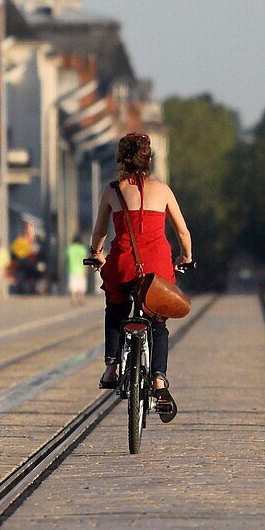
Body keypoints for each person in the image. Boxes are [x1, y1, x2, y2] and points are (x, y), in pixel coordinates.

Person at [87, 132, 192, 423]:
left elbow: (99, 233)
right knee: (157, 321)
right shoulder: (164, 190)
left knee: (116, 309)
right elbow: (183, 232)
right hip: (157, 268)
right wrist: (186, 258)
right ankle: (159, 380)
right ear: (149, 160)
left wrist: (96, 253)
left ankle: (110, 367)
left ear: (121, 159)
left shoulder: (112, 191)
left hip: (123, 264)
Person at [65, 234, 89, 305]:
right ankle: (80, 299)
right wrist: (86, 270)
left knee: (73, 285)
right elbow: (85, 260)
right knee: (81, 286)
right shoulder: (82, 249)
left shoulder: (70, 248)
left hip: (71, 269)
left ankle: (73, 299)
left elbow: (67, 259)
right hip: (81, 270)